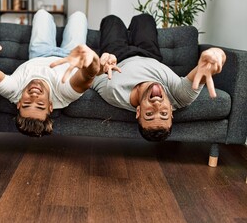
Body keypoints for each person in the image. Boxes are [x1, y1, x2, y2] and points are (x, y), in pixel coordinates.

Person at [0, 9, 118, 137]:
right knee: (79, 15)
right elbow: (87, 77)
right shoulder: (64, 95)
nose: (34, 97)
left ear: (19, 103)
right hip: (72, 56)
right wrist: (92, 61)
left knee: (42, 14)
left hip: (39, 53)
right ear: (50, 106)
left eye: (27, 103)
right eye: (40, 104)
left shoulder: (13, 91)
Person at [92, 14, 226, 141]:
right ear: (172, 113)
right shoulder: (180, 96)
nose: (157, 105)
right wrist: (216, 55)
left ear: (138, 111)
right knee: (144, 19)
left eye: (149, 114)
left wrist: (100, 65)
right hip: (150, 55)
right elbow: (207, 67)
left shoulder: (114, 92)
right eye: (164, 114)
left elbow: (90, 78)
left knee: (112, 20)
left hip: (118, 57)